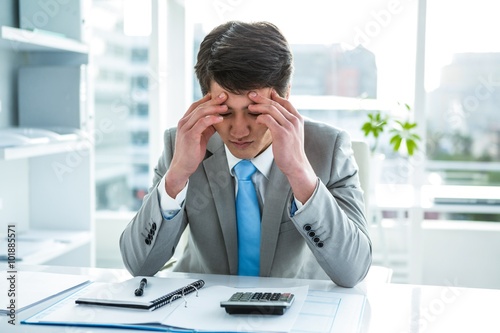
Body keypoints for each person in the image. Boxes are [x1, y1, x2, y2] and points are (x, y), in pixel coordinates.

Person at [120, 21, 372, 287]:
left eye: (254, 111)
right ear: (205, 99)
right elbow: (139, 265)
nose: (239, 130)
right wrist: (177, 176)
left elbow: (353, 271)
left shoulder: (328, 148)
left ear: (285, 96)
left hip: (295, 315)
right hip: (199, 312)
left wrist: (300, 173)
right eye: (225, 112)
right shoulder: (182, 144)